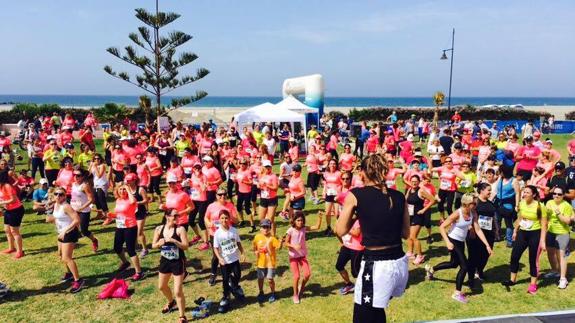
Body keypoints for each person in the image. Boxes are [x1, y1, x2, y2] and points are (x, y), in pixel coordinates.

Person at [336, 154, 409, 323]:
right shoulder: (399, 196)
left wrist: (356, 215)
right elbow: (406, 234)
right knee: (376, 310)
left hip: (376, 266)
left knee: (362, 316)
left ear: (362, 173)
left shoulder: (355, 195)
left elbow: (340, 230)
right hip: (399, 263)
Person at [425, 193, 492, 303]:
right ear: (466, 204)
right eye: (473, 203)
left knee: (453, 263)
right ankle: (457, 293)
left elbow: (478, 229)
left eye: (476, 203)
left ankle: (431, 270)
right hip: (452, 240)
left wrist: (487, 245)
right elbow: (441, 227)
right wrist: (447, 242)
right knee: (464, 266)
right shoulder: (457, 214)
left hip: (461, 241)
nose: (475, 205)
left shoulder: (473, 213)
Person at [502, 185, 548, 294]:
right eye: (524, 192)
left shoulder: (540, 206)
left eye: (527, 192)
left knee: (533, 260)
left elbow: (544, 225)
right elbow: (520, 218)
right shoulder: (522, 203)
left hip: (535, 234)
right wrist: (515, 231)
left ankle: (533, 285)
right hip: (522, 233)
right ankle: (512, 280)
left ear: (534, 195)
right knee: (514, 256)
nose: (524, 194)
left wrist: (542, 241)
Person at [152, 209, 189, 322]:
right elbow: (153, 245)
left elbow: (186, 246)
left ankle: (182, 316)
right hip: (165, 261)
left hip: (177, 261)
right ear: (167, 216)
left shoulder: (180, 229)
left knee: (178, 291)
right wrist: (159, 243)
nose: (177, 217)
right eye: (174, 215)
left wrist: (174, 241)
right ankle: (171, 302)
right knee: (162, 287)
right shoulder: (159, 229)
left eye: (178, 215)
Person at [46, 186, 85, 293]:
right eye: (56, 194)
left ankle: (78, 280)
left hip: (69, 233)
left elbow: (77, 220)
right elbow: (59, 218)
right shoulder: (56, 205)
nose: (58, 196)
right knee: (60, 254)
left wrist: (65, 231)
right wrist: (52, 219)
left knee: (66, 258)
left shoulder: (66, 206)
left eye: (61, 194)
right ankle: (69, 274)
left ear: (65, 196)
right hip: (61, 233)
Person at [284, 210, 322, 304]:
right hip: (293, 257)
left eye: (301, 220)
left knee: (307, 274)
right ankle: (295, 294)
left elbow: (316, 227)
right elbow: (286, 243)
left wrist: (319, 218)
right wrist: (294, 246)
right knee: (296, 276)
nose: (300, 222)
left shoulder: (304, 228)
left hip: (302, 256)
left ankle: (302, 288)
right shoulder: (290, 230)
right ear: (294, 221)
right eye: (298, 220)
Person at [212, 209, 246, 314]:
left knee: (238, 274)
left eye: (226, 218)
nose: (224, 220)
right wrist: (219, 258)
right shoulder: (217, 233)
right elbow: (216, 248)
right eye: (222, 218)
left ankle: (235, 286)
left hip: (234, 258)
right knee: (225, 279)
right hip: (224, 261)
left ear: (229, 219)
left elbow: (238, 242)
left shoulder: (234, 231)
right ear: (219, 219)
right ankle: (226, 296)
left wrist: (242, 253)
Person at [110, 184, 145, 281]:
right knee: (117, 248)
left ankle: (139, 272)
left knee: (130, 250)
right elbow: (119, 214)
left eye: (124, 189)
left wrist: (128, 189)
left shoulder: (131, 200)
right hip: (120, 226)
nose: (122, 191)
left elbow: (133, 201)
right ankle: (125, 263)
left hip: (130, 227)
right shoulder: (118, 200)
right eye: (120, 189)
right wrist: (112, 216)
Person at [543, 186, 573, 289]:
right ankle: (555, 271)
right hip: (551, 232)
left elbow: (568, 221)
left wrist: (558, 213)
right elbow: (545, 216)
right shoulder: (549, 203)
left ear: (563, 195)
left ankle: (563, 279)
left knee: (562, 256)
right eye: (554, 193)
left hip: (562, 233)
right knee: (550, 253)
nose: (556, 196)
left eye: (559, 194)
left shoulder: (566, 206)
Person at [467, 182, 497, 285]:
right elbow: (468, 215)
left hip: (489, 233)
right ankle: (472, 273)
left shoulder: (491, 203)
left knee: (485, 254)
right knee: (475, 255)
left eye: (490, 190)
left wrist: (496, 229)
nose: (490, 192)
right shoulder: (475, 203)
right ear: (482, 190)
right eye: (488, 190)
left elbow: (493, 217)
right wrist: (470, 227)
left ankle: (480, 270)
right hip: (476, 233)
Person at [405, 175, 435, 265]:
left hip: (418, 216)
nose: (414, 183)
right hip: (410, 215)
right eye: (412, 181)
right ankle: (410, 253)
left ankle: (420, 256)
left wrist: (424, 210)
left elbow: (433, 200)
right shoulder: (410, 189)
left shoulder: (421, 191)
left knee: (414, 237)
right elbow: (405, 200)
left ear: (419, 182)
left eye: (416, 181)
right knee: (408, 236)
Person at [253, 218, 281, 303]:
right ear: (260, 228)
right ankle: (261, 292)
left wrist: (281, 242)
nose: (265, 229)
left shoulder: (272, 238)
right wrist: (256, 252)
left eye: (267, 227)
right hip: (260, 263)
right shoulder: (257, 237)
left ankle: (273, 293)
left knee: (269, 279)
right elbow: (254, 247)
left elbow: (278, 247)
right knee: (260, 278)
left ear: (270, 228)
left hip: (270, 263)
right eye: (263, 227)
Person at [70, 169, 99, 252]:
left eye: (78, 175)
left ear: (83, 177)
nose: (75, 177)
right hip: (74, 210)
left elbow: (91, 199)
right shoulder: (73, 184)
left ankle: (94, 240)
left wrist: (82, 207)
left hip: (84, 211)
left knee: (84, 231)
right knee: (72, 228)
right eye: (74, 175)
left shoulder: (85, 186)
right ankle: (71, 245)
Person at [0, 170, 25, 259]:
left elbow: (14, 199)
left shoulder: (7, 186)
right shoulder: (1, 186)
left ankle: (20, 251)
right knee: (7, 230)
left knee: (14, 231)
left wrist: (2, 202)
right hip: (8, 210)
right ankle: (11, 248)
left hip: (16, 210)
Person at [125, 173, 149, 257]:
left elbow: (146, 200)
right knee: (132, 231)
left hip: (140, 213)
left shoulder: (140, 189)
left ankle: (145, 249)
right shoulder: (127, 189)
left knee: (139, 232)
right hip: (131, 213)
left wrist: (137, 203)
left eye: (129, 181)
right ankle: (136, 245)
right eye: (126, 181)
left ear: (134, 180)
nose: (127, 182)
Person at [258, 159, 279, 235]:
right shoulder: (261, 175)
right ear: (263, 167)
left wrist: (267, 185)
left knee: (270, 220)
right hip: (263, 198)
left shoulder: (273, 176)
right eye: (266, 167)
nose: (267, 168)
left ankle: (273, 236)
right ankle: (263, 235)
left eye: (269, 167)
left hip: (272, 199)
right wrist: (259, 186)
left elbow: (275, 188)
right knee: (261, 219)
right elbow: (260, 185)